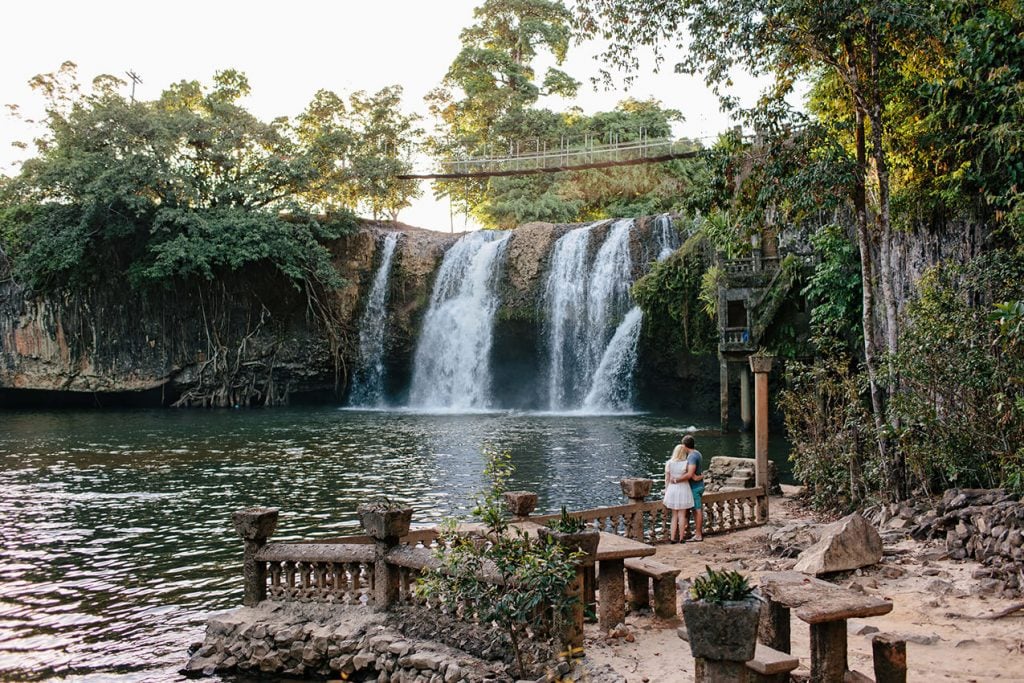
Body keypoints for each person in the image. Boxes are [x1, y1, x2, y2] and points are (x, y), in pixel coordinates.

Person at [663, 441, 694, 543]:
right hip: (684, 489)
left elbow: (667, 479)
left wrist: (667, 491)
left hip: (673, 489)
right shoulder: (686, 463)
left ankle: (672, 538)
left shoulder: (669, 463)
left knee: (674, 516)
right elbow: (689, 476)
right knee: (682, 516)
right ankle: (681, 538)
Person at [679, 435, 705, 541]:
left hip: (695, 488)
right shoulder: (697, 453)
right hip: (698, 486)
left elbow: (691, 475)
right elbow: (695, 475)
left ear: (685, 446)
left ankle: (698, 535)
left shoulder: (692, 456)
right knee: (692, 510)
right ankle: (689, 531)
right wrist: (700, 476)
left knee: (697, 510)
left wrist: (676, 479)